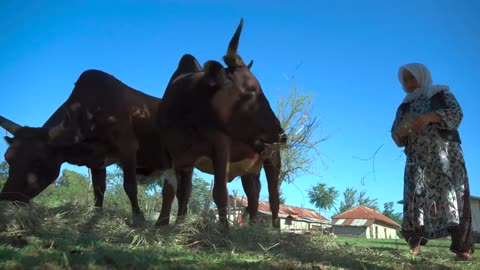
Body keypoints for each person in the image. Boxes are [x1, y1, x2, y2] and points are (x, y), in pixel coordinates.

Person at [391, 63, 474, 260]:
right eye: (406, 80)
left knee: (454, 196)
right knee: (415, 200)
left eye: (413, 78)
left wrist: (430, 116)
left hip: (446, 158)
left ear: (423, 76)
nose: (410, 83)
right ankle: (415, 245)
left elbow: (456, 114)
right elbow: (396, 136)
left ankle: (461, 248)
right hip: (418, 162)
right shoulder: (404, 106)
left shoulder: (440, 95)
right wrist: (402, 130)